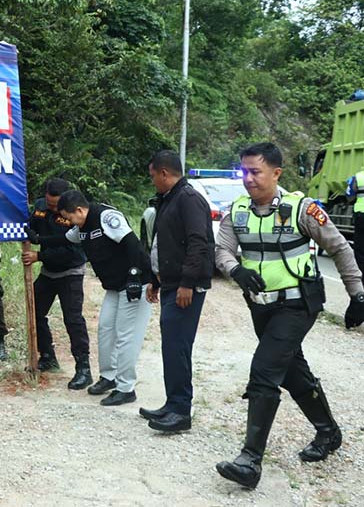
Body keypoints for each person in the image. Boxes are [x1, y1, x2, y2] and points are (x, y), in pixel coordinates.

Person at [215, 142, 364, 489]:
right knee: (291, 371)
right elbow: (221, 249)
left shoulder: (302, 208)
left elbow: (339, 247)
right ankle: (329, 432)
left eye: (256, 172)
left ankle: (250, 460)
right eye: (244, 172)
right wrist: (235, 270)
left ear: (276, 173)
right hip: (261, 305)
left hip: (298, 304)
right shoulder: (236, 211)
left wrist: (357, 294)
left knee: (265, 371)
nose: (248, 179)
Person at [27, 189, 152, 406]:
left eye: (69, 218)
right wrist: (38, 239)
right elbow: (63, 238)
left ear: (79, 210)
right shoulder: (81, 227)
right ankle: (109, 377)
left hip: (134, 285)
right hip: (114, 287)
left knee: (125, 336)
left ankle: (126, 387)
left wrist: (135, 275)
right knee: (105, 330)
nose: (68, 222)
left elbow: (133, 245)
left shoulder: (106, 217)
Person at [142, 150, 214, 432]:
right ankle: (173, 403)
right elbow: (166, 244)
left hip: (187, 287)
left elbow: (199, 243)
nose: (152, 182)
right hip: (172, 283)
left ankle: (181, 411)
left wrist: (187, 283)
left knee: (178, 346)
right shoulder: (169, 199)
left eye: (152, 177)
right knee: (170, 346)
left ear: (163, 173)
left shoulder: (189, 199)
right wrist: (156, 279)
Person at [22, 178, 92, 390]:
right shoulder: (41, 207)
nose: (53, 208)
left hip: (70, 271)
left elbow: (71, 251)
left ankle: (83, 369)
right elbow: (31, 225)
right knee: (35, 311)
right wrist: (30, 232)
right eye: (50, 203)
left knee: (72, 319)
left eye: (56, 205)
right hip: (48, 273)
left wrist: (39, 255)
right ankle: (48, 357)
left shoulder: (75, 216)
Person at [349, 171, 364, 277]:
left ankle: (361, 276)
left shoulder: (358, 177)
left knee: (359, 248)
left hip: (361, 216)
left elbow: (349, 196)